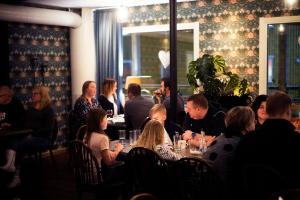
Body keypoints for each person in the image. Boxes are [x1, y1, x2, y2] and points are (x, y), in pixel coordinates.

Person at [234, 91, 300, 192]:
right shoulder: (296, 141)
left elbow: (237, 174)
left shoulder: (247, 140)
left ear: (267, 111)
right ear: (288, 111)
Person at [1, 86, 55, 188]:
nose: (32, 96)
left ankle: (16, 175)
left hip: (42, 138)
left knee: (21, 144)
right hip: (30, 136)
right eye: (32, 93)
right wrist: (11, 125)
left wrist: (33, 134)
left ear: (42, 96)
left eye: (35, 94)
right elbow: (24, 123)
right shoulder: (31, 109)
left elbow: (48, 129)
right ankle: (11, 166)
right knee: (13, 141)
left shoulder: (48, 110)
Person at [203, 106, 255, 186]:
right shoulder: (242, 144)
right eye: (253, 121)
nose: (255, 123)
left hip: (203, 186)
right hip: (221, 191)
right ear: (247, 125)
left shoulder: (219, 138)